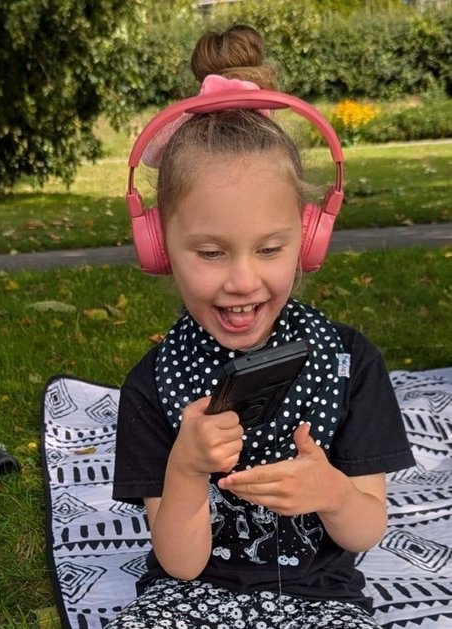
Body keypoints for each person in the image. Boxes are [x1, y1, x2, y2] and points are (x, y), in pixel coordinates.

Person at [109, 25, 415, 628]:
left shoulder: (350, 365)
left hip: (319, 597)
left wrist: (331, 491)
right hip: (193, 597)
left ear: (307, 239)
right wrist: (187, 469)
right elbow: (180, 564)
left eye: (270, 249)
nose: (243, 282)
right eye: (211, 253)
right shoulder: (152, 386)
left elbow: (367, 528)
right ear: (159, 247)